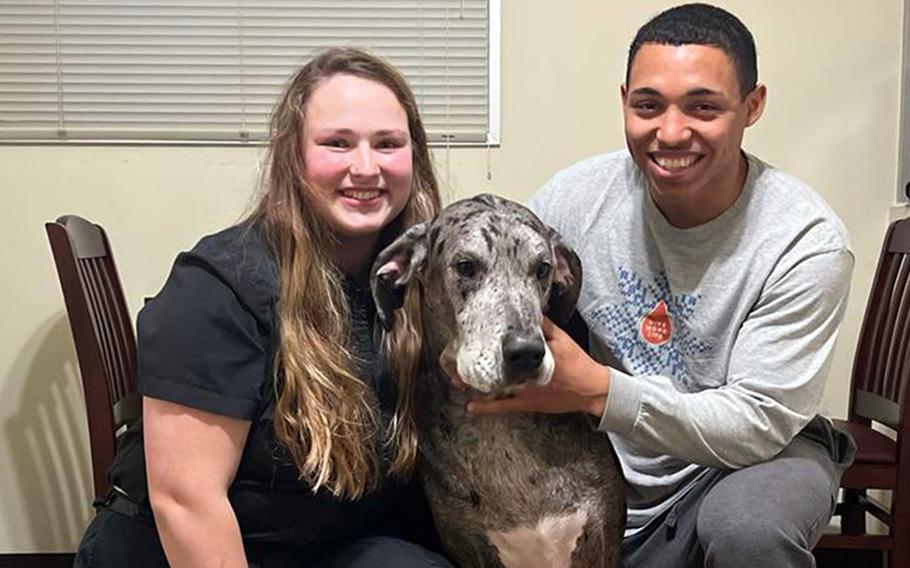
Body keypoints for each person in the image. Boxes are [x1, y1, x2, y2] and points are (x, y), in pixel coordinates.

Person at [468, 4, 856, 567]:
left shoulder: (805, 239)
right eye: (648, 105)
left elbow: (758, 421)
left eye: (703, 107)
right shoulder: (572, 200)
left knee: (750, 528)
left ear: (752, 106)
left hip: (749, 459)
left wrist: (598, 390)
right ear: (624, 99)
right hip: (606, 458)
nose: (670, 133)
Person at [74, 47, 452, 568]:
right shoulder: (219, 285)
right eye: (336, 143)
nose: (366, 167)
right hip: (180, 547)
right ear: (293, 157)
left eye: (388, 144)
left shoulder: (415, 279)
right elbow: (187, 503)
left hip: (320, 540)